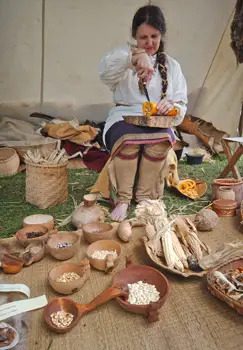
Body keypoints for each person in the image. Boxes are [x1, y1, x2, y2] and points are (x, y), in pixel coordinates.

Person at [98, 5, 187, 221]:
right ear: (134, 36)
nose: (149, 42)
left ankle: (146, 198)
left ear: (161, 34)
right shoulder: (121, 57)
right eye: (143, 37)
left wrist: (171, 106)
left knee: (160, 141)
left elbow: (181, 106)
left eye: (154, 36)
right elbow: (105, 71)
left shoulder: (172, 66)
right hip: (123, 117)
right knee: (127, 140)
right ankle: (123, 199)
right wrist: (135, 59)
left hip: (156, 120)